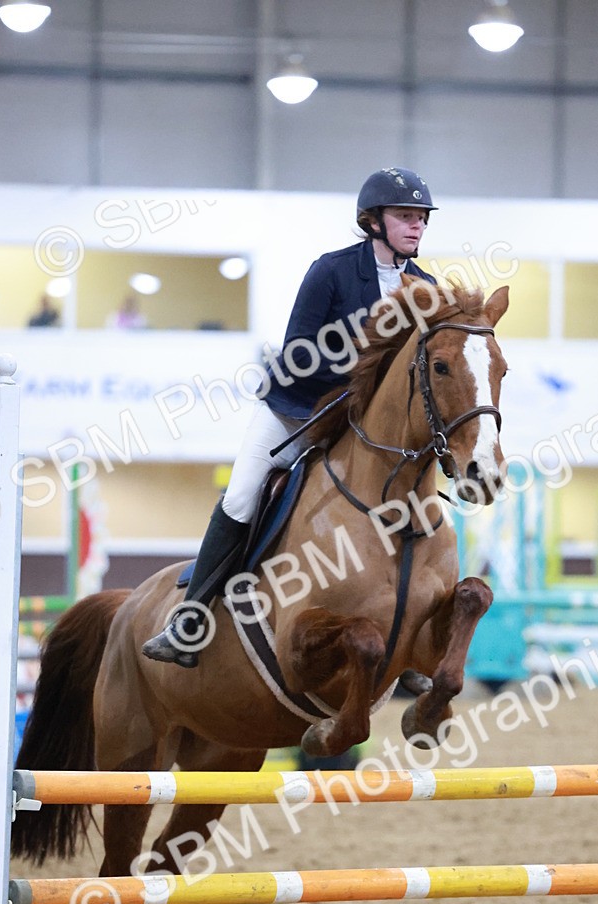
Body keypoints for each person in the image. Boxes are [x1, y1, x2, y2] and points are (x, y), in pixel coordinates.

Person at [142, 167, 438, 668]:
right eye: (404, 216)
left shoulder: (425, 286)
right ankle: (190, 620)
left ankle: (408, 646)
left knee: (414, 505)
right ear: (373, 221)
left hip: (365, 431)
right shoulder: (332, 271)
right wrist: (363, 368)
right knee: (241, 495)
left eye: (421, 219)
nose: (415, 227)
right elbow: (300, 350)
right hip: (298, 411)